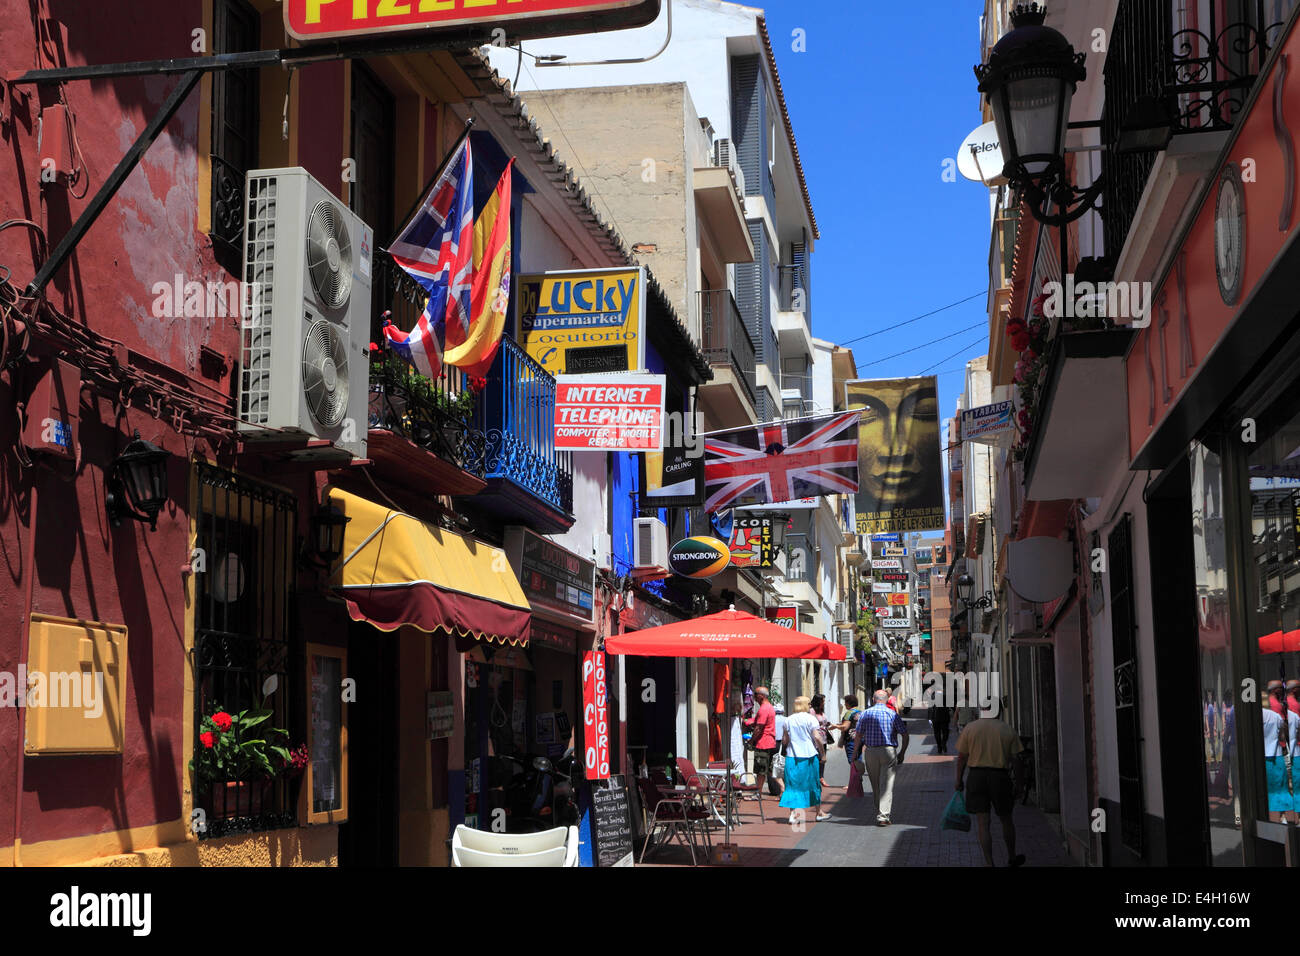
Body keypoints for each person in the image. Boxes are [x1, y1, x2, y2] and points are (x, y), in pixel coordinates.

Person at [954, 704, 1025, 867]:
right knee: (1006, 819)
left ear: (982, 710)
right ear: (999, 711)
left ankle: (989, 863)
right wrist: (1020, 785)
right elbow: (1017, 760)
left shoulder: (970, 729)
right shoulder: (1007, 729)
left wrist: (958, 780)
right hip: (1000, 777)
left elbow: (962, 758)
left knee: (983, 823)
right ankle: (1012, 857)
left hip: (976, 777)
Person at [854, 689, 909, 826]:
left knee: (875, 783)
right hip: (888, 751)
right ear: (886, 700)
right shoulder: (892, 714)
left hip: (871, 751)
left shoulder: (865, 713)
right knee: (887, 784)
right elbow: (905, 734)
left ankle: (881, 811)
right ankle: (883, 815)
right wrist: (902, 752)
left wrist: (855, 753)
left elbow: (858, 735)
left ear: (873, 699)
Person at [779, 696, 829, 823]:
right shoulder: (811, 719)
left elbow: (785, 740)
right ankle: (818, 812)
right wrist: (822, 753)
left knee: (792, 785)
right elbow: (817, 737)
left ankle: (793, 814)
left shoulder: (788, 720)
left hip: (792, 756)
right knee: (813, 784)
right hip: (809, 756)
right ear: (807, 705)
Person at [1263, 682, 1299, 824]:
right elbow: (1283, 737)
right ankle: (1291, 820)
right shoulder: (1277, 715)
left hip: (1265, 757)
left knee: (1271, 793)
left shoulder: (1257, 715)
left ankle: (1275, 823)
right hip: (1277, 755)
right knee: (1283, 790)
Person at [743, 686, 778, 796]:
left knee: (760, 770)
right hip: (769, 742)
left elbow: (759, 727)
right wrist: (746, 721)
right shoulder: (768, 707)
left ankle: (757, 793)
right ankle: (782, 789)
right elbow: (757, 721)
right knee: (769, 770)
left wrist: (751, 740)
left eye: (755, 695)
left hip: (763, 743)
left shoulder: (764, 709)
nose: (754, 697)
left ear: (761, 696)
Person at [836, 695, 865, 798]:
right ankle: (858, 780)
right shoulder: (861, 712)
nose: (844, 704)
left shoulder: (849, 713)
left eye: (845, 702)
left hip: (851, 740)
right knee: (858, 759)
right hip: (860, 738)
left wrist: (835, 726)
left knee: (852, 761)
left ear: (848, 703)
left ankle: (854, 783)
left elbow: (845, 727)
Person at [811, 694, 831, 789]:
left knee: (823, 758)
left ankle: (821, 777)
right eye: (823, 701)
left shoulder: (821, 711)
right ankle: (815, 778)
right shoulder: (812, 711)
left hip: (824, 739)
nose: (824, 703)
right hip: (816, 739)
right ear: (818, 701)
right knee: (817, 758)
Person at [770, 703, 788, 797]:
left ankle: (774, 789)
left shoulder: (772, 719)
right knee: (782, 765)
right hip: (783, 744)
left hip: (773, 743)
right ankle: (784, 786)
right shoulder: (786, 719)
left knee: (772, 765)